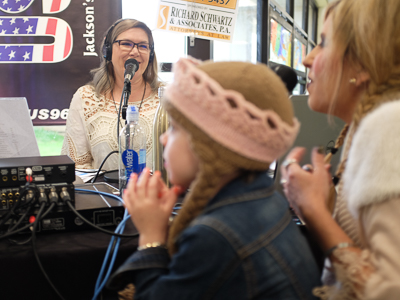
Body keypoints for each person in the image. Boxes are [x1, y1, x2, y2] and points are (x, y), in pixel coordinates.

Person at [106, 58, 321, 299]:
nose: (164, 139)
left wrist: (151, 237)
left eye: (176, 128)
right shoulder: (267, 201)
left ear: (211, 144)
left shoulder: (215, 236)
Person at [280, 0, 400, 299]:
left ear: (360, 65)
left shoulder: (387, 125)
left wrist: (315, 212)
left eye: (323, 44)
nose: (308, 59)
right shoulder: (364, 125)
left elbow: (389, 290)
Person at [61, 19, 160, 171]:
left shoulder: (168, 97)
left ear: (150, 54)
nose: (135, 52)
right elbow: (77, 165)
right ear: (108, 51)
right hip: (103, 193)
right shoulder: (86, 97)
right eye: (126, 43)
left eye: (143, 46)